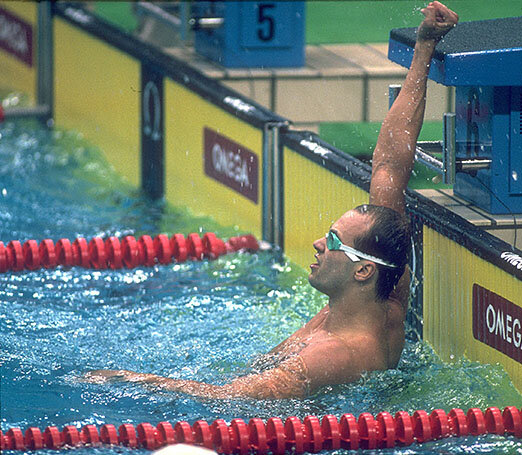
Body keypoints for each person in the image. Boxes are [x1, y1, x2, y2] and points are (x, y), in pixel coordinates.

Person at [86, 1, 459, 400]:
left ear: (363, 271)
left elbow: (227, 399)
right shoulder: (384, 293)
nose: (318, 243)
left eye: (333, 240)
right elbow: (389, 164)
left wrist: (130, 380)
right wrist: (423, 47)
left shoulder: (333, 355)